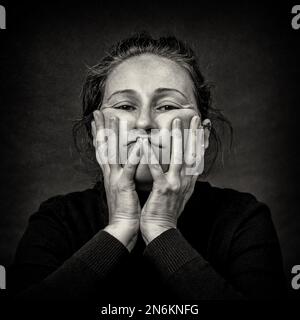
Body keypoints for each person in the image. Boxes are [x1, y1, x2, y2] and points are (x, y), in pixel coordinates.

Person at [8, 32, 287, 300]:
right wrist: (119, 230)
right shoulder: (58, 220)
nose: (144, 123)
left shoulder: (243, 219)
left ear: (201, 136)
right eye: (126, 106)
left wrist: (161, 230)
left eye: (166, 106)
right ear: (97, 134)